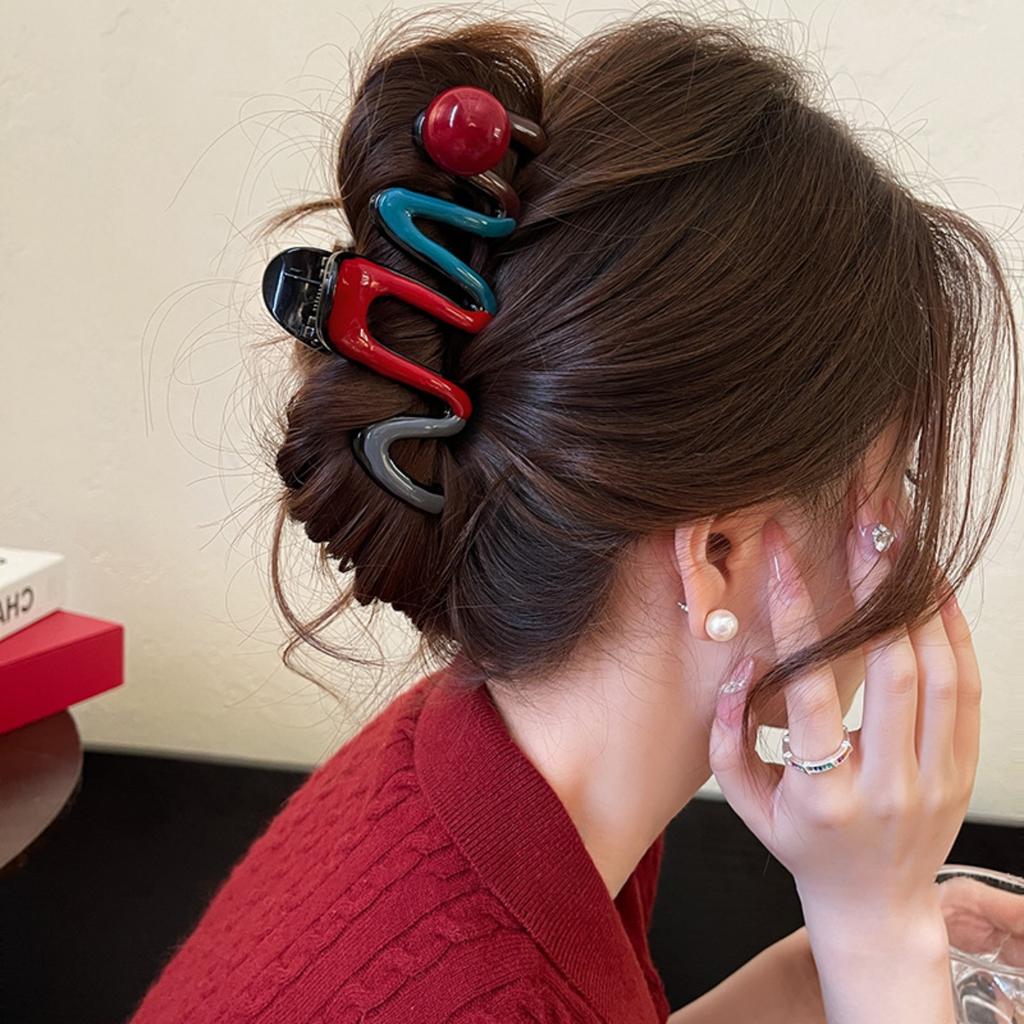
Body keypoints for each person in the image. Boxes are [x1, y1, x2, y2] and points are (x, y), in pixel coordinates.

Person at [124, 8, 1020, 1024]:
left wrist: (839, 960)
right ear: (719, 554)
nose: (908, 545)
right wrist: (881, 943)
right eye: (897, 482)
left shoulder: (474, 765)